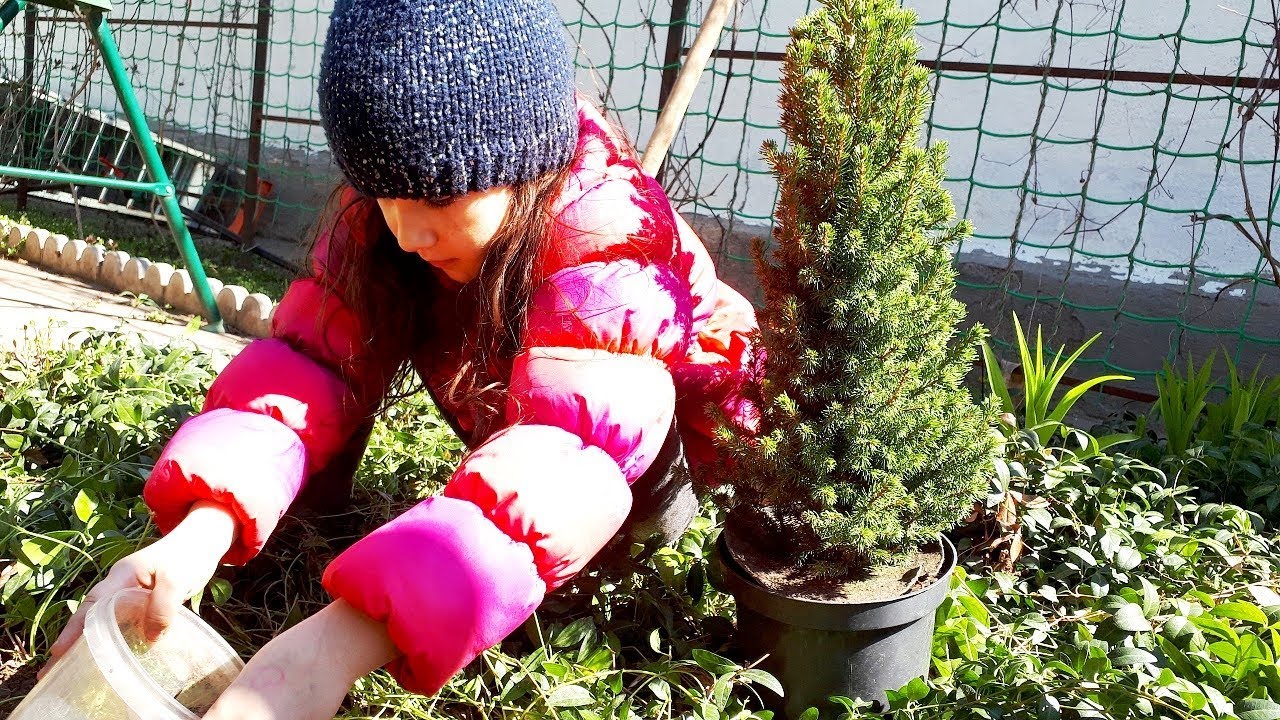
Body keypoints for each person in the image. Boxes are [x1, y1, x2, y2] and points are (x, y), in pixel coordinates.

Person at [40, 0, 759, 716]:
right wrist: (201, 530)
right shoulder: (393, 222)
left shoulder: (610, 233)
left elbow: (575, 447)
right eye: (382, 193)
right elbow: (308, 364)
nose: (408, 232)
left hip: (667, 449)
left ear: (525, 162)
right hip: (515, 397)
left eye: (438, 196)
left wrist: (332, 650)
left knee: (604, 562)